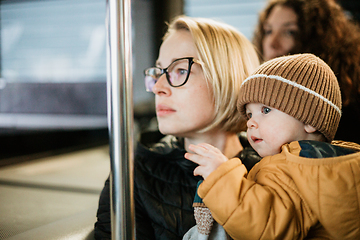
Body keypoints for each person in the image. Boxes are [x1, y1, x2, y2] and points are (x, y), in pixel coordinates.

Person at [94, 15, 262, 240]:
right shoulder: (134, 171)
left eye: (180, 71)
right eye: (158, 72)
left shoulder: (274, 169)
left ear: (227, 78)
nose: (158, 88)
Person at [184, 53, 360, 239]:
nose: (250, 123)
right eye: (250, 114)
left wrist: (220, 176)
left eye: (265, 110)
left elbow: (262, 227)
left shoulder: (298, 169)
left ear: (310, 121)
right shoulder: (322, 165)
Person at [252, 0, 360, 144]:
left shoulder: (347, 113)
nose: (272, 43)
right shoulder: (256, 101)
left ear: (321, 39)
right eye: (268, 31)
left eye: (290, 32)